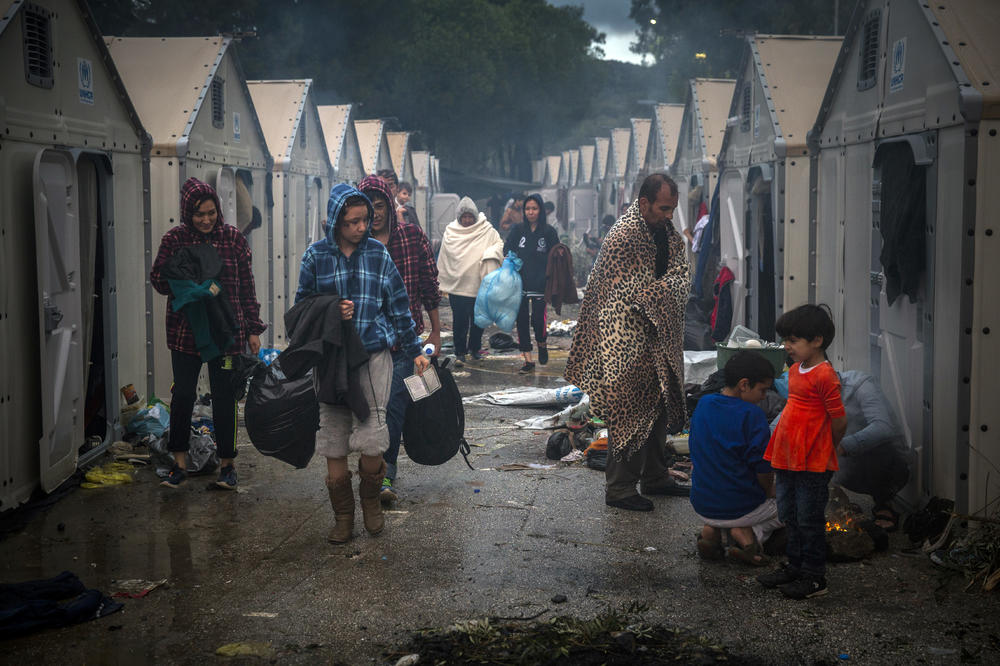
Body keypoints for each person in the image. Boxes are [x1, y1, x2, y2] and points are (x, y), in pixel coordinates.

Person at [296, 183, 430, 544]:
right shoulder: (315, 256)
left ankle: (370, 499)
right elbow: (300, 309)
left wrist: (415, 349)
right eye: (352, 222)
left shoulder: (377, 254)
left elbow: (399, 306)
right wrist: (329, 309)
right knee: (334, 438)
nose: (360, 228)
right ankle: (343, 517)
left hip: (372, 357)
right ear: (335, 223)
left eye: (364, 220)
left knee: (373, 437)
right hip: (330, 361)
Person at [565, 174, 689, 511]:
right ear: (644, 203)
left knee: (658, 408)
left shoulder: (666, 233)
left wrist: (664, 291)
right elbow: (627, 296)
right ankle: (620, 489)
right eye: (664, 208)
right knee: (630, 414)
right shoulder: (624, 236)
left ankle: (655, 476)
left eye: (673, 208)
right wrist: (664, 292)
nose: (670, 215)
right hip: (624, 341)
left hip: (658, 340)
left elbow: (681, 277)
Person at [150, 177, 266, 490]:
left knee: (225, 396)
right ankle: (179, 465)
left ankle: (227, 466)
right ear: (188, 212)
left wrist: (253, 329)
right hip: (185, 333)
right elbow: (158, 281)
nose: (206, 219)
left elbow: (246, 287)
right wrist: (180, 274)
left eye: (211, 212)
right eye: (199, 214)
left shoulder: (233, 239)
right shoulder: (174, 239)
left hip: (226, 333)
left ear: (219, 210)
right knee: (183, 395)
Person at [358, 175, 441, 504]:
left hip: (406, 339)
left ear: (390, 206)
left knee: (393, 403)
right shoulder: (356, 244)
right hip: (368, 341)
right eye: (369, 207)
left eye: (380, 205)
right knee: (371, 407)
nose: (375, 213)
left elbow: (429, 284)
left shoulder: (411, 237)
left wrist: (435, 331)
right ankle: (372, 466)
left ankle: (385, 473)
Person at [757, 304, 847, 599]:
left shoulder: (825, 375)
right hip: (787, 456)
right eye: (786, 340)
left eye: (793, 340)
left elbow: (839, 420)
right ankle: (795, 567)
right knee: (789, 514)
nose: (787, 346)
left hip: (812, 461)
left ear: (817, 340)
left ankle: (814, 577)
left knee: (809, 519)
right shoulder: (795, 370)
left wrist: (828, 446)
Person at [773, 369, 910, 531]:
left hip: (887, 462)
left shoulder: (860, 384)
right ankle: (837, 504)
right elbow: (775, 429)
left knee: (874, 445)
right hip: (847, 465)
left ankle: (884, 502)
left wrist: (839, 447)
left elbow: (883, 428)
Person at [690, 352, 782, 566]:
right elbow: (763, 468)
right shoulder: (753, 415)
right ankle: (747, 538)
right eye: (762, 390)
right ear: (744, 384)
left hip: (702, 504)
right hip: (739, 507)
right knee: (792, 503)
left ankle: (712, 532)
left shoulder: (704, 404)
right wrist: (769, 490)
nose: (764, 396)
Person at [437, 197, 503, 366]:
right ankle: (460, 352)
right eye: (464, 217)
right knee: (459, 321)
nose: (467, 220)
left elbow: (499, 244)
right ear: (459, 217)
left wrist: (491, 254)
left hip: (479, 285)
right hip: (457, 286)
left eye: (470, 217)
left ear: (475, 216)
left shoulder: (486, 230)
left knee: (478, 320)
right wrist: (440, 282)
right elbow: (445, 257)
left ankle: (475, 348)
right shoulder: (451, 232)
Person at [503, 194, 560, 373]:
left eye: (534, 208)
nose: (530, 212)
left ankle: (542, 344)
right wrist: (510, 257)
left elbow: (556, 254)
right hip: (520, 282)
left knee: (537, 319)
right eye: (527, 209)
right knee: (521, 321)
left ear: (540, 210)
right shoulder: (518, 230)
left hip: (540, 283)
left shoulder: (549, 232)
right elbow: (507, 248)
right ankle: (528, 360)